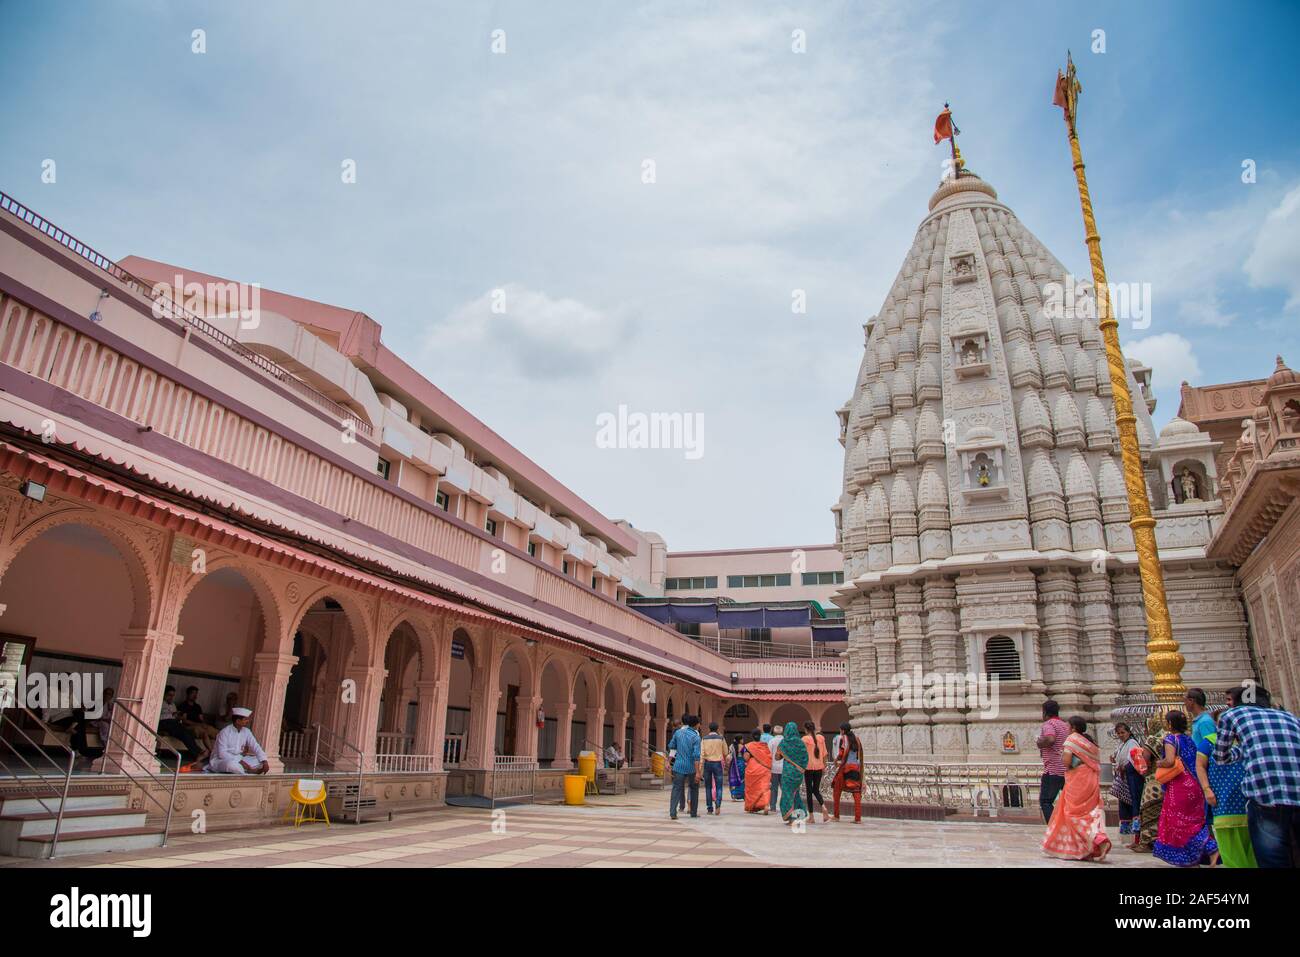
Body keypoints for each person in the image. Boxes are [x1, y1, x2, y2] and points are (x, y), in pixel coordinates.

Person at [1213, 683, 1300, 868]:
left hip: (1266, 797)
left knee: (1273, 859)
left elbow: (1220, 757)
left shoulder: (1232, 715)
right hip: (1297, 794)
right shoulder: (1289, 716)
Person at [1153, 710, 1219, 867]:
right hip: (1195, 784)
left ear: (1169, 724)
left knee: (1179, 822)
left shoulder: (1170, 738)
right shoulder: (1188, 739)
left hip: (1180, 785)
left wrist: (1159, 763)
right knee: (1194, 821)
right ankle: (1194, 856)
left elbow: (1169, 761)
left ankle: (1211, 848)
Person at [1042, 716, 1112, 861]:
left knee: (1073, 814)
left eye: (1068, 727)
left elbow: (1067, 762)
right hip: (1091, 779)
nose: (1067, 729)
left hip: (1077, 781)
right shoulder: (1088, 742)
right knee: (1089, 813)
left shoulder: (1072, 739)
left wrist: (1063, 758)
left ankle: (1098, 840)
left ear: (1073, 728)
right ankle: (1086, 848)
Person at [1194, 706, 1256, 868]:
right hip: (1222, 799)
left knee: (1253, 844)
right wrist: (1207, 789)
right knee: (1229, 844)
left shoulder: (1246, 739)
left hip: (1249, 799)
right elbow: (1200, 766)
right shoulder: (1209, 741)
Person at [1035, 699, 1070, 823]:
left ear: (1044, 712)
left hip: (1053, 770)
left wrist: (1040, 743)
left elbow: (1050, 739)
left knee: (1045, 801)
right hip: (1067, 769)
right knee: (1069, 801)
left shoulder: (1049, 724)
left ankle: (1054, 827)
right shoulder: (1065, 725)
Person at [208, 707, 268, 774]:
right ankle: (248, 771)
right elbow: (222, 754)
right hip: (222, 760)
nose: (248, 721)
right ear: (238, 721)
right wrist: (239, 761)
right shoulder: (224, 732)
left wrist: (264, 761)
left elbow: (255, 746)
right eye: (245, 719)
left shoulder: (247, 731)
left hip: (239, 759)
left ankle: (245, 769)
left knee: (259, 761)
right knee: (231, 765)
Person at [774, 721, 809, 825]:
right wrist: (801, 768)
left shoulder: (784, 743)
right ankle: (799, 816)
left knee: (788, 794)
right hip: (798, 773)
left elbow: (777, 757)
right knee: (795, 794)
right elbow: (805, 758)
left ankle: (791, 818)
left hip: (788, 773)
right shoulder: (801, 743)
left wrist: (781, 753)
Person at [668, 713, 701, 820]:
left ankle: (673, 812)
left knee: (676, 788)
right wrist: (698, 772)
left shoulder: (678, 733)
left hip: (678, 766)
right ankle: (693, 812)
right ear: (696, 725)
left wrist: (668, 761)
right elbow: (696, 756)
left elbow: (672, 746)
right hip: (691, 767)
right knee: (694, 788)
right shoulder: (696, 737)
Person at [157, 685, 204, 760]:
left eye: (173, 695)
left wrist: (178, 716)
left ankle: (199, 752)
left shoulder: (173, 704)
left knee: (186, 732)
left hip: (173, 723)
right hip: (163, 723)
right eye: (169, 695)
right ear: (164, 694)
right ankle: (198, 752)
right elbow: (157, 717)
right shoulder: (159, 703)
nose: (171, 697)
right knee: (183, 732)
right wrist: (172, 715)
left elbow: (175, 715)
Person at [1111, 722, 1141, 839]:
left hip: (1132, 776)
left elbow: (1135, 759)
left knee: (1134, 800)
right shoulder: (1122, 745)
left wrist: (1125, 767)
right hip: (1125, 777)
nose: (1121, 735)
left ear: (1128, 732)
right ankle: (1129, 831)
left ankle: (1137, 830)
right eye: (1118, 733)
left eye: (1123, 732)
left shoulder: (1132, 743)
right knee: (1125, 801)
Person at [832, 722, 862, 823]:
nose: (840, 732)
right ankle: (857, 818)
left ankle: (836, 816)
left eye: (840, 730)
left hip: (846, 767)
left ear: (843, 730)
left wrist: (836, 760)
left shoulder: (843, 739)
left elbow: (841, 753)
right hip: (856, 768)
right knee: (856, 792)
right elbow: (860, 754)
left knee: (837, 789)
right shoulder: (857, 739)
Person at [801, 721, 829, 823]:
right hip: (819, 768)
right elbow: (825, 753)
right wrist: (824, 766)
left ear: (805, 729)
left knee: (809, 792)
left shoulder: (804, 739)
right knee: (816, 790)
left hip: (808, 768)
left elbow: (802, 755)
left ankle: (811, 817)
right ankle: (824, 807)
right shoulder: (821, 738)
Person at [177, 685, 219, 752]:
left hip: (199, 725)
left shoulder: (197, 706)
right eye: (193, 693)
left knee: (214, 731)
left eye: (196, 693)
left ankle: (223, 751)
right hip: (189, 727)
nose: (195, 695)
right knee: (204, 732)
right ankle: (211, 752)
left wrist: (204, 724)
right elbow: (184, 720)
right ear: (188, 694)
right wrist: (198, 724)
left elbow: (201, 719)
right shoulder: (183, 705)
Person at [700, 722, 728, 815]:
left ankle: (709, 808)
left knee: (708, 787)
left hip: (707, 763)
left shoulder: (704, 739)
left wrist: (700, 767)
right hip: (718, 764)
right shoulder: (721, 738)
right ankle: (718, 804)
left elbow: (702, 754)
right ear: (717, 729)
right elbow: (726, 752)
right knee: (719, 786)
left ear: (709, 729)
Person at [728, 735, 746, 801]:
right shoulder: (742, 747)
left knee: (734, 779)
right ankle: (741, 795)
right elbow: (745, 756)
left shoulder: (731, 746)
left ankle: (734, 795)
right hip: (741, 763)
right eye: (742, 739)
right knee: (742, 779)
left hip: (733, 764)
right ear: (740, 740)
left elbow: (730, 755)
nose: (743, 740)